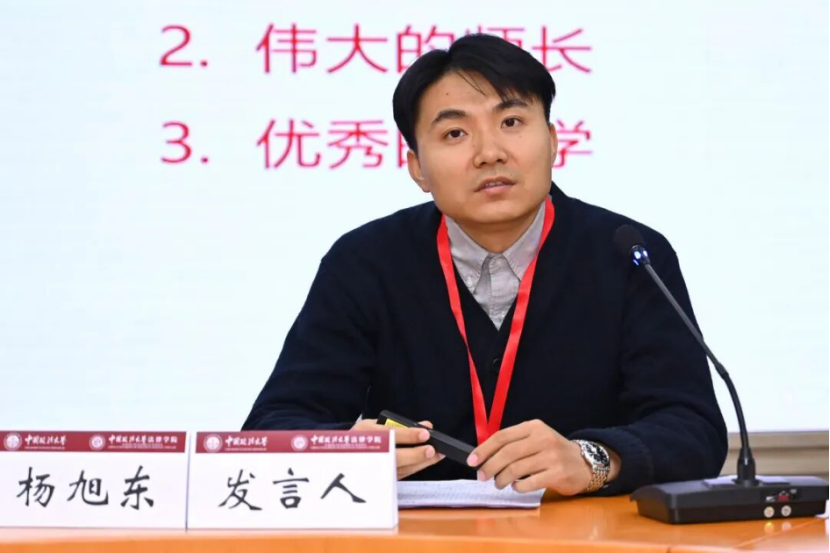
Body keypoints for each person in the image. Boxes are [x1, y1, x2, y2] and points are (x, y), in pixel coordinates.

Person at [243, 34, 727, 496]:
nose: (490, 153)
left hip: (582, 535)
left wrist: (594, 460)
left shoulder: (629, 254)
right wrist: (345, 449)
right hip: (418, 538)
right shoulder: (365, 262)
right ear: (418, 168)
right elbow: (273, 427)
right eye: (455, 133)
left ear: (553, 141)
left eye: (511, 122)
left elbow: (693, 429)